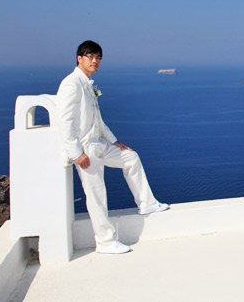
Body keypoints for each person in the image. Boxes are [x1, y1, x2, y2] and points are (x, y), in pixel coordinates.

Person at [55, 40, 169, 254]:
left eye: (98, 57)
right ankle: (105, 242)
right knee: (96, 193)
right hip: (86, 150)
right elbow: (64, 121)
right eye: (90, 56)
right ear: (79, 58)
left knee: (131, 157)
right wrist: (76, 153)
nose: (95, 61)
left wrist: (114, 140)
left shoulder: (87, 84)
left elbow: (98, 120)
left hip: (99, 145)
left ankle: (147, 203)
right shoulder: (71, 83)